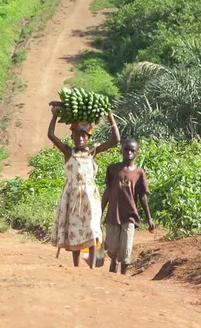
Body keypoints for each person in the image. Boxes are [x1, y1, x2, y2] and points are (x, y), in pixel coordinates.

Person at [47, 105, 120, 268]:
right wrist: (54, 116)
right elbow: (51, 135)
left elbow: (115, 140)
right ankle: (76, 266)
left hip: (90, 196)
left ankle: (92, 266)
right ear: (72, 136)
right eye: (77, 135)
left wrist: (109, 116)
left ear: (88, 137)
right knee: (75, 228)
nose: (80, 138)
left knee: (93, 227)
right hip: (73, 195)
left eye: (83, 135)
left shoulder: (92, 151)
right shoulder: (68, 152)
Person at [100, 137, 152, 275]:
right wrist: (100, 210)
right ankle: (113, 262)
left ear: (137, 153)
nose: (129, 153)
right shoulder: (112, 169)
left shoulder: (139, 173)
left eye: (132, 150)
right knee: (112, 247)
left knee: (126, 246)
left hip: (130, 215)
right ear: (121, 151)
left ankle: (123, 273)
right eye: (126, 149)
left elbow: (142, 196)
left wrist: (149, 218)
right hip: (113, 214)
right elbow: (107, 191)